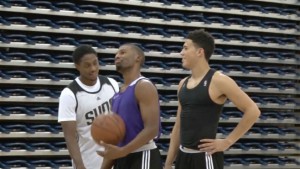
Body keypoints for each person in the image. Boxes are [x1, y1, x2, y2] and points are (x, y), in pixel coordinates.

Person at [164, 29, 261, 169]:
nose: (181, 52)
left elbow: (253, 111)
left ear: (200, 52)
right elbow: (178, 126)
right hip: (182, 157)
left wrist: (227, 142)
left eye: (185, 48)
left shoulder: (218, 80)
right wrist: (168, 163)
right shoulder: (182, 84)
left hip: (205, 158)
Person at [97, 43, 163, 169]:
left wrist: (122, 151)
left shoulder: (144, 86)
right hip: (122, 158)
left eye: (122, 52)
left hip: (143, 155)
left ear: (138, 58)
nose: (117, 56)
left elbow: (151, 129)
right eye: (116, 53)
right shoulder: (117, 95)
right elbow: (115, 141)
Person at [58, 45, 119, 169]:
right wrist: (80, 166)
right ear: (77, 66)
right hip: (89, 162)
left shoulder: (111, 84)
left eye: (95, 63)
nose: (93, 68)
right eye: (87, 65)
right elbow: (70, 137)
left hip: (114, 160)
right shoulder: (69, 94)